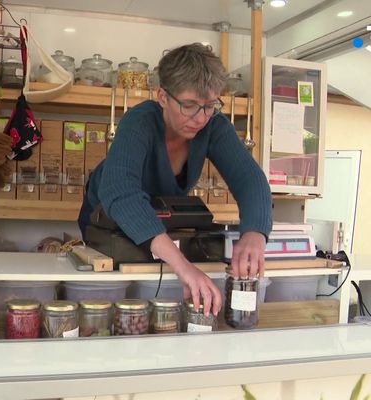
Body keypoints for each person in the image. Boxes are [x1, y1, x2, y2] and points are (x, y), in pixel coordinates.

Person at [78, 43, 272, 317]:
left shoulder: (214, 125)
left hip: (159, 223)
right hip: (108, 222)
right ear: (162, 97)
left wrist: (255, 233)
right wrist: (183, 267)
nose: (200, 118)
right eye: (189, 105)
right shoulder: (139, 122)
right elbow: (121, 194)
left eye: (209, 106)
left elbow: (250, 179)